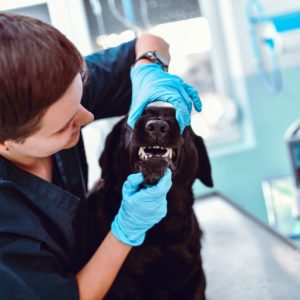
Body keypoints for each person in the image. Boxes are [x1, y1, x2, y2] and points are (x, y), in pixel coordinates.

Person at [0, 12, 202, 300]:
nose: (88, 116)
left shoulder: (54, 84)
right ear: (4, 142)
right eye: (65, 125)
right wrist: (126, 231)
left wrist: (149, 68)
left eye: (80, 97)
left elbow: (149, 42)